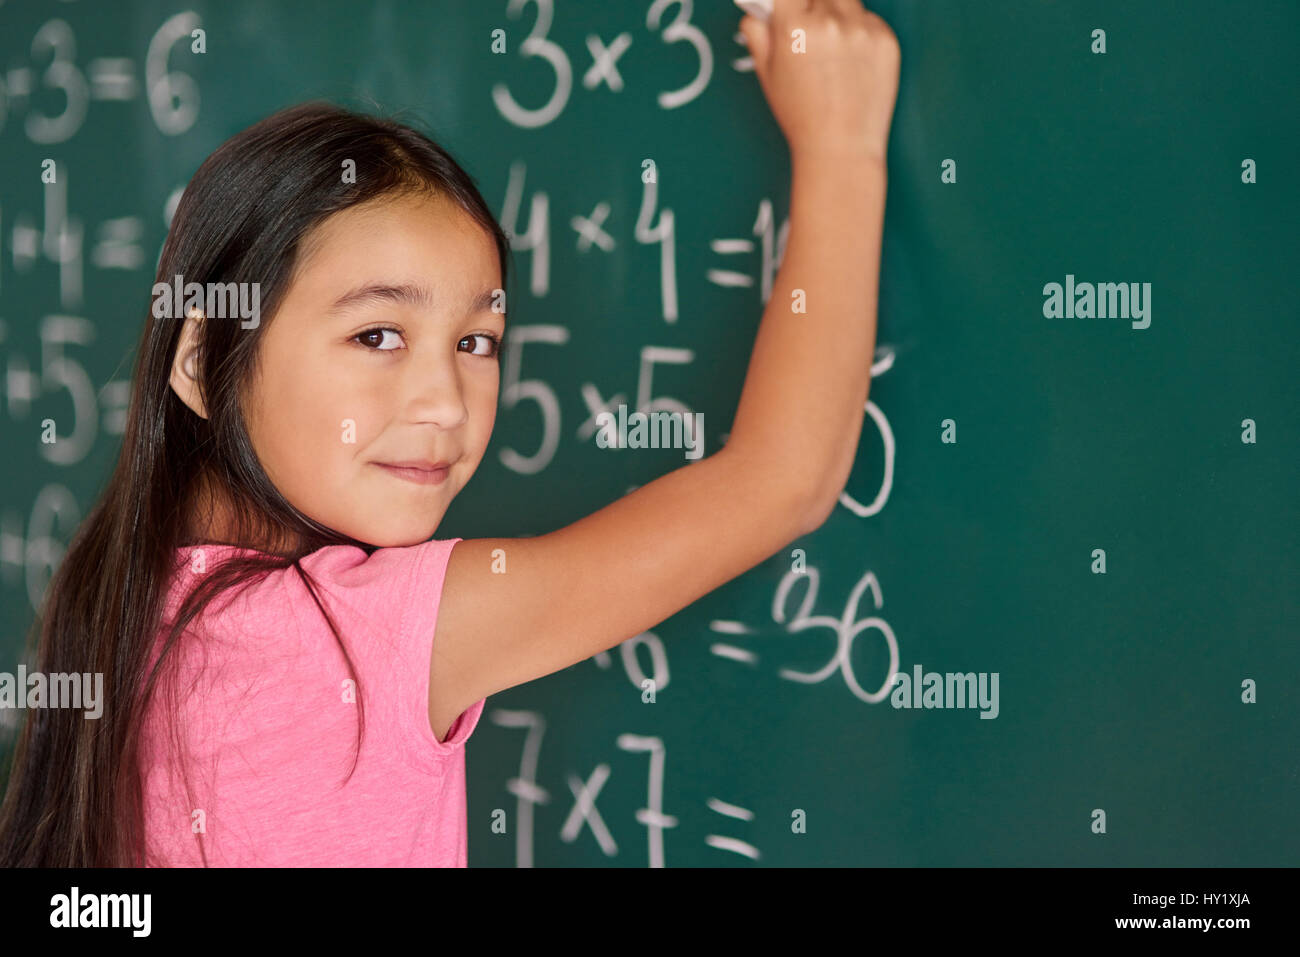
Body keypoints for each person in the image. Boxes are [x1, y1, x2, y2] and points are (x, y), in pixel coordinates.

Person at [0, 0, 900, 866]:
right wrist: (843, 145)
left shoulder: (116, 602)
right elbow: (785, 479)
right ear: (201, 360)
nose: (444, 400)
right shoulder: (371, 633)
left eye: (476, 341)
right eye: (377, 335)